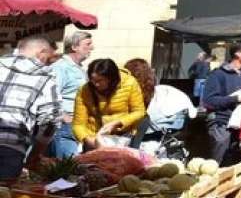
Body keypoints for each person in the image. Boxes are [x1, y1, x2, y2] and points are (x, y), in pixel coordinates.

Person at [0, 36, 59, 179]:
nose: (47, 63)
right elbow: (50, 122)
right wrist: (35, 153)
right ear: (41, 53)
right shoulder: (46, 79)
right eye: (48, 59)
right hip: (11, 148)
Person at [72, 58, 147, 149]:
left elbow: (139, 111)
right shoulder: (84, 90)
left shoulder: (129, 83)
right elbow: (78, 124)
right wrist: (89, 141)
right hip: (94, 136)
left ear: (111, 78)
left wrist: (118, 123)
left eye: (100, 80)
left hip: (123, 137)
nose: (96, 84)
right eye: (92, 80)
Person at [202, 43, 241, 163]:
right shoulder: (218, 74)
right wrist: (236, 98)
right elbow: (208, 101)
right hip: (221, 123)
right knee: (220, 162)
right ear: (238, 54)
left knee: (237, 162)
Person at [47, 30, 91, 159]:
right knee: (67, 168)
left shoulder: (79, 68)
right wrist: (63, 116)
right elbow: (49, 95)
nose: (91, 48)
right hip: (64, 126)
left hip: (76, 124)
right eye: (87, 44)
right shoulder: (60, 68)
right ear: (74, 46)